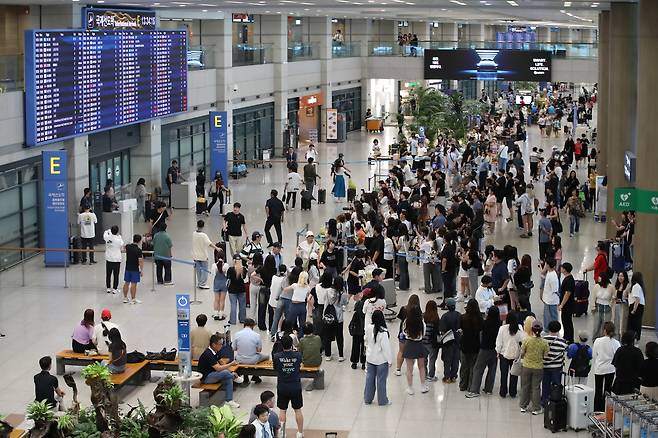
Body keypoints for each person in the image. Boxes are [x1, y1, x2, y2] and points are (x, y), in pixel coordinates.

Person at [272, 335, 305, 438]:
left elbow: (275, 368)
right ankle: (299, 432)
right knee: (298, 410)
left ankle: (282, 433)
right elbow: (300, 366)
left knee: (282, 410)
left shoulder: (277, 356)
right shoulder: (298, 355)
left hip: (282, 386)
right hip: (295, 386)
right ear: (291, 344)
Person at [198, 333, 240, 408]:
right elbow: (218, 368)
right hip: (206, 378)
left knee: (228, 378)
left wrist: (231, 371)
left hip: (213, 374)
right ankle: (235, 377)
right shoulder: (208, 354)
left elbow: (221, 362)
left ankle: (229, 400)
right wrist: (230, 364)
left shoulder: (216, 352)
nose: (222, 346)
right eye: (220, 344)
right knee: (225, 373)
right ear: (214, 344)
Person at [466, 306, 500, 398]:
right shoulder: (499, 325)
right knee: (492, 369)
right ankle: (488, 389)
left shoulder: (485, 323)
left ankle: (474, 390)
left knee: (478, 369)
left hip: (485, 349)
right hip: (495, 350)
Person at [519, 320, 548, 415]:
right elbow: (546, 356)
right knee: (535, 387)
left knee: (525, 386)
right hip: (538, 367)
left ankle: (523, 406)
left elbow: (522, 353)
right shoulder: (544, 342)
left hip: (526, 366)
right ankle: (536, 408)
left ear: (532, 329)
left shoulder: (527, 340)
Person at [364, 309, 392, 406]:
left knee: (369, 379)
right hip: (381, 361)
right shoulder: (383, 332)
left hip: (370, 358)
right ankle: (382, 400)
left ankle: (367, 399)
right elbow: (386, 348)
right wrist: (390, 360)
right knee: (381, 381)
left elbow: (366, 340)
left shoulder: (368, 327)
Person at [496, 311, 525, 398]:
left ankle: (503, 391)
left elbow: (499, 342)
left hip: (504, 354)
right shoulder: (519, 328)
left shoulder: (502, 328)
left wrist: (498, 351)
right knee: (514, 374)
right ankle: (513, 392)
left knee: (503, 374)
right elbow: (522, 340)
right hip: (515, 355)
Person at [592, 321, 620, 411]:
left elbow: (594, 355)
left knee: (598, 390)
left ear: (604, 330)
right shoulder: (616, 343)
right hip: (610, 369)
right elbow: (617, 357)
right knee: (607, 390)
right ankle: (605, 409)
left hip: (599, 368)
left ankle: (596, 409)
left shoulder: (598, 341)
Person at [541, 320, 568, 406]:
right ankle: (554, 402)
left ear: (549, 328)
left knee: (545, 384)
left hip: (545, 366)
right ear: (559, 329)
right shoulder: (562, 342)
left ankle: (544, 401)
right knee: (556, 385)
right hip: (557, 367)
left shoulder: (543, 340)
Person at [402, 305, 428, 395]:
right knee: (421, 367)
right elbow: (424, 334)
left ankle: (410, 388)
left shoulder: (406, 321)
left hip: (409, 344)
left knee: (409, 368)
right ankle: (423, 386)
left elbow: (404, 332)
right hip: (419, 344)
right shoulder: (422, 323)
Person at [234, 319, 269, 385]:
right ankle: (255, 375)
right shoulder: (256, 335)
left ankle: (246, 377)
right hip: (253, 359)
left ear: (244, 325)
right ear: (252, 326)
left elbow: (234, 348)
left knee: (236, 357)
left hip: (239, 359)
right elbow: (259, 350)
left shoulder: (237, 334)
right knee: (267, 357)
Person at [459, 299, 483, 392]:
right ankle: (471, 385)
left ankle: (462, 385)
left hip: (464, 344)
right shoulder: (479, 319)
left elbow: (460, 329)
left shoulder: (463, 317)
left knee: (464, 366)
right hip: (475, 345)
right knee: (473, 367)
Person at [611, 331, 644, 395]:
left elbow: (615, 365)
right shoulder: (637, 352)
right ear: (633, 340)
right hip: (633, 383)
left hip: (620, 383)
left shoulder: (620, 350)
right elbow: (641, 367)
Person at [439, 297, 461, 384]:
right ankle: (454, 376)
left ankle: (447, 377)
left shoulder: (444, 317)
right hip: (457, 340)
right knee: (456, 359)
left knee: (447, 360)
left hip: (447, 342)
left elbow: (442, 330)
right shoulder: (459, 315)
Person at [193, 220, 220, 289]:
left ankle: (199, 282)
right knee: (205, 269)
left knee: (198, 270)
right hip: (203, 255)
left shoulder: (194, 233)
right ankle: (203, 283)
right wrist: (217, 248)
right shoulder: (204, 235)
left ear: (197, 225)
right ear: (203, 226)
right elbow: (209, 243)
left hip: (195, 255)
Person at [283, 271, 311, 336]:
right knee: (302, 325)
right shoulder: (308, 288)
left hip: (294, 306)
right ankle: (300, 338)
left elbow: (285, 290)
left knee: (289, 323)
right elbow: (309, 296)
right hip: (302, 306)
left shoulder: (295, 285)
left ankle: (288, 336)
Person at [298, 322, 321, 391]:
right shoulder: (318, 338)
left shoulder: (302, 340)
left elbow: (300, 352)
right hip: (317, 362)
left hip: (306, 362)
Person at [591, 272, 614, 340]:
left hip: (607, 307)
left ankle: (604, 338)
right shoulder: (597, 286)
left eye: (600, 277)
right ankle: (595, 338)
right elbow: (593, 297)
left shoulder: (611, 287)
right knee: (596, 324)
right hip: (598, 306)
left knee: (606, 324)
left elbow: (613, 298)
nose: (598, 278)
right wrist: (593, 306)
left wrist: (611, 305)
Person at [122, 234, 144, 304]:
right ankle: (133, 299)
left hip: (127, 268)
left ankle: (125, 298)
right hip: (135, 269)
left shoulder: (128, 247)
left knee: (126, 283)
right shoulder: (139, 250)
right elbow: (140, 261)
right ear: (139, 241)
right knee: (134, 284)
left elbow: (124, 247)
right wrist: (141, 270)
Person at [422, 300, 440, 382]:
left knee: (424, 359)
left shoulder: (423, 316)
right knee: (432, 359)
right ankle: (431, 375)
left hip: (422, 341)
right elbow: (437, 331)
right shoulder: (436, 318)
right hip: (432, 342)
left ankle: (424, 374)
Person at [103, 225, 124, 295]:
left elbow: (105, 232)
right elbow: (122, 244)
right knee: (116, 275)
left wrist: (109, 231)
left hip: (109, 258)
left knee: (108, 274)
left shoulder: (107, 237)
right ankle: (115, 288)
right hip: (117, 259)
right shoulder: (119, 238)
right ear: (117, 231)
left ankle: (108, 288)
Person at [558, 262, 575, 343]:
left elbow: (567, 294)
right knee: (565, 320)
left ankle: (569, 338)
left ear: (565, 269)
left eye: (562, 267)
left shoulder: (569, 280)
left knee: (567, 321)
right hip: (566, 304)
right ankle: (566, 336)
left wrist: (562, 304)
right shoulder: (567, 278)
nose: (561, 269)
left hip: (568, 305)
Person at [541, 259, 559, 330]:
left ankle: (554, 329)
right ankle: (547, 328)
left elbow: (555, 289)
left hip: (551, 300)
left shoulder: (553, 276)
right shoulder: (550, 273)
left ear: (547, 265)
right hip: (548, 299)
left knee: (552, 316)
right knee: (547, 316)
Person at [627, 272, 645, 341]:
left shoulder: (636, 286)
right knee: (636, 324)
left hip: (636, 306)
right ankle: (635, 339)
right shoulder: (639, 286)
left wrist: (634, 310)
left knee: (633, 324)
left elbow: (637, 299)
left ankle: (634, 340)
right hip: (638, 307)